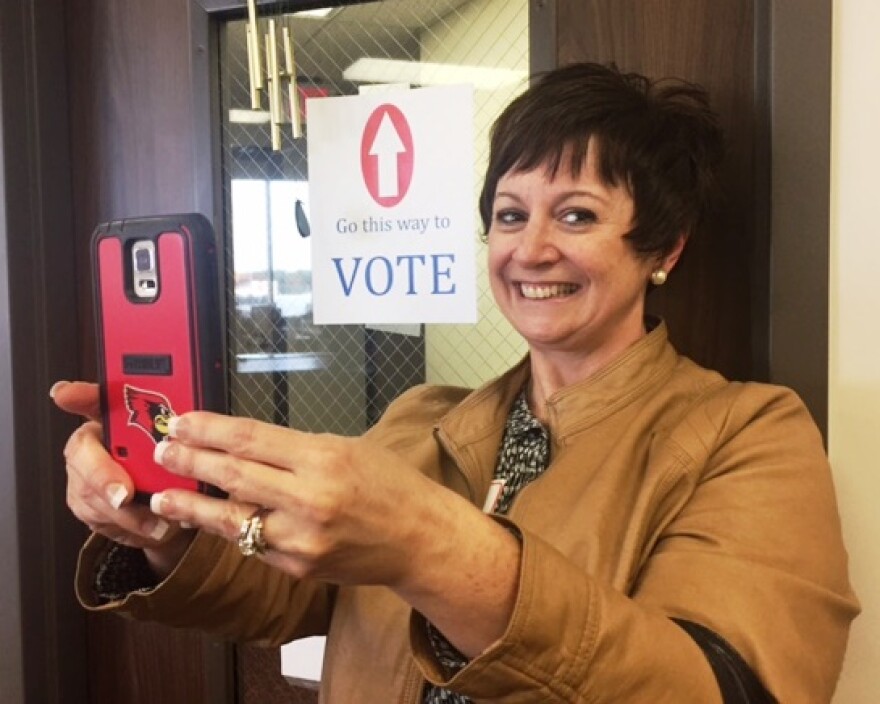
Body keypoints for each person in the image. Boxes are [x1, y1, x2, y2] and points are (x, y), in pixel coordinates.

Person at [54, 62, 858, 703]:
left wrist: (430, 549)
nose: (530, 249)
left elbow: (721, 689)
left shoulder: (747, 435)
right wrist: (165, 527)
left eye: (575, 216)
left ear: (664, 250)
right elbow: (278, 597)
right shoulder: (422, 419)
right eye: (510, 216)